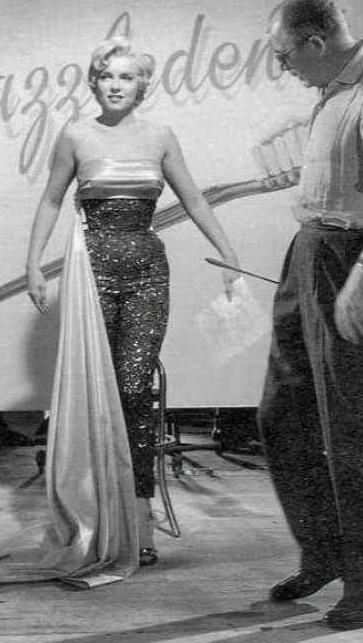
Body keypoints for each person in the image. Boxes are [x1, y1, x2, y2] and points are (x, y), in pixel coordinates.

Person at [25, 36, 241, 571]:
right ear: (94, 81)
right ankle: (98, 513)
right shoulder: (75, 135)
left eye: (126, 77)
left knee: (134, 389)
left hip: (147, 271)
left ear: (142, 85)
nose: (116, 85)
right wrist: (33, 264)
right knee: (98, 394)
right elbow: (51, 200)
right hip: (92, 272)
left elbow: (193, 197)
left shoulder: (160, 136)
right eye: (107, 76)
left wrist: (228, 252)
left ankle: (140, 514)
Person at [258, 0, 363, 630]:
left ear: (316, 42)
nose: (284, 68)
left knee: (359, 431)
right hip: (312, 253)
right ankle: (325, 553)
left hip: (357, 260)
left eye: (285, 55)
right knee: (284, 415)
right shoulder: (331, 94)